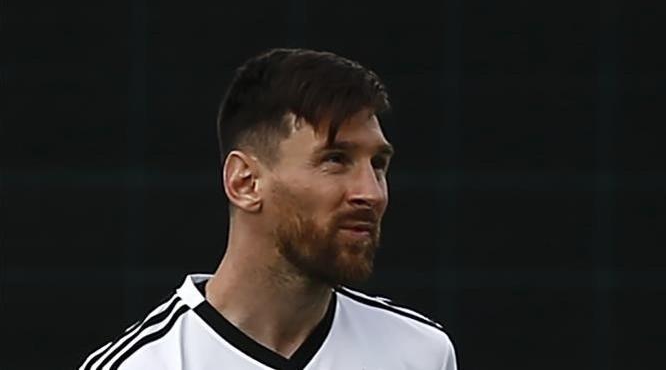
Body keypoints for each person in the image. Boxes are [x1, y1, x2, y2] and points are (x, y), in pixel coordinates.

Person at [79, 48, 457, 370]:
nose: (371, 194)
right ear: (244, 183)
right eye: (336, 160)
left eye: (378, 165)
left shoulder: (420, 353)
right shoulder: (145, 364)